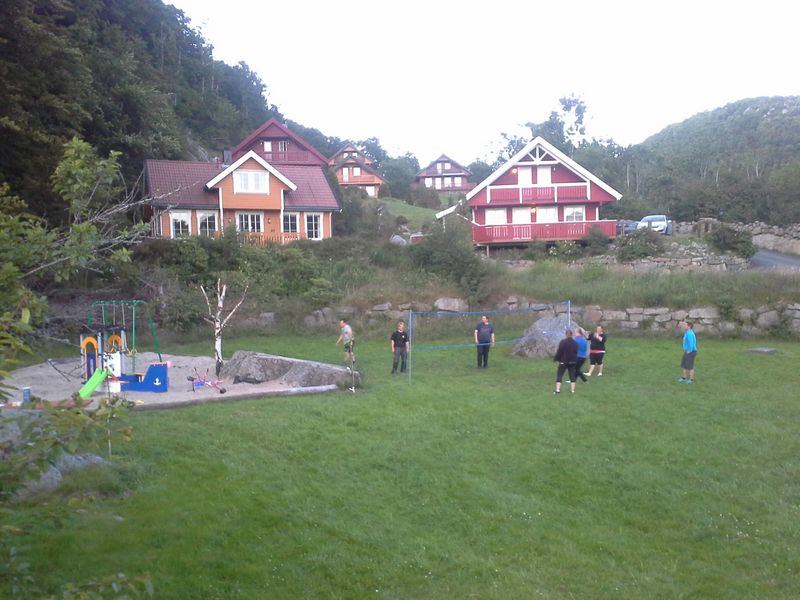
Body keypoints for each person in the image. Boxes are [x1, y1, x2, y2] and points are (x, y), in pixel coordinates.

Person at [554, 329, 578, 394]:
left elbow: (559, 352)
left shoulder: (563, 342)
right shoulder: (575, 343)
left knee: (559, 375)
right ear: (572, 335)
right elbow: (576, 352)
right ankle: (572, 391)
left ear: (566, 334)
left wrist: (556, 359)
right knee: (572, 375)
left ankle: (557, 390)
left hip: (563, 361)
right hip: (572, 362)